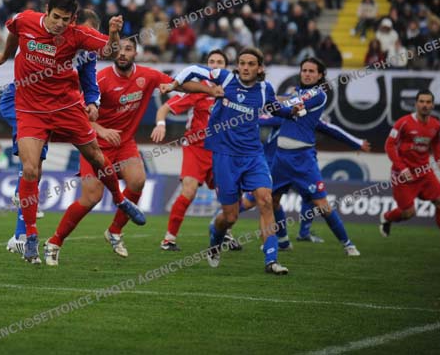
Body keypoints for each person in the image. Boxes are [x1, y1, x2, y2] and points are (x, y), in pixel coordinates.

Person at [0, 0, 145, 264]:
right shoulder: (25, 20)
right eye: (56, 17)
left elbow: (108, 51)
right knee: (30, 169)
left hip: (66, 107)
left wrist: (113, 34)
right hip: (30, 109)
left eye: (65, 19)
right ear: (46, 10)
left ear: (72, 20)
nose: (60, 24)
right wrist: (4, 55)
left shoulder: (77, 34)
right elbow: (13, 30)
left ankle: (120, 200)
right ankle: (29, 237)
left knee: (96, 157)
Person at [161, 47, 307, 275]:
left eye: (251, 64)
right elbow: (192, 69)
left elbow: (274, 108)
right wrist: (174, 84)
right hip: (224, 156)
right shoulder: (225, 78)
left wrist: (292, 112)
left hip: (253, 155)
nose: (245, 68)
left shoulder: (265, 89)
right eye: (242, 63)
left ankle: (271, 260)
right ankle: (215, 238)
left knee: (265, 200)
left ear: (260, 68)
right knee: (230, 217)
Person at [44, 35, 172, 264]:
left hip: (124, 144)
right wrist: (101, 130)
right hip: (94, 146)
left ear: (136, 53)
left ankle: (114, 231)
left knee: (138, 181)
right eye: (119, 49)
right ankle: (55, 242)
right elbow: (79, 116)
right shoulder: (100, 79)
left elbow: (176, 83)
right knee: (91, 197)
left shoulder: (148, 75)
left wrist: (208, 89)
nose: (122, 53)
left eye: (128, 49)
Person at [1, 9, 102, 255]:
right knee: (33, 162)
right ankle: (21, 223)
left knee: (35, 164)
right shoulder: (47, 36)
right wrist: (4, 55)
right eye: (86, 32)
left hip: (50, 108)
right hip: (21, 100)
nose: (88, 39)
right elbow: (16, 31)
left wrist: (92, 102)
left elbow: (89, 82)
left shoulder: (86, 53)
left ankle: (20, 233)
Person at [268, 58, 369, 256]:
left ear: (320, 75)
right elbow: (287, 106)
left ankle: (348, 244)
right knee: (272, 200)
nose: (307, 74)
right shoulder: (296, 92)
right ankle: (283, 241)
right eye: (304, 70)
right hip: (281, 158)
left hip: (302, 159)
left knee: (322, 205)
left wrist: (267, 98)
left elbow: (287, 104)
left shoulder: (318, 95)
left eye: (311, 71)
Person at [152, 49, 229, 251]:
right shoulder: (197, 89)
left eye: (219, 62)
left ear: (226, 67)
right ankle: (169, 239)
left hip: (221, 150)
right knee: (189, 190)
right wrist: (161, 124)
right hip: (196, 147)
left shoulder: (233, 91)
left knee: (229, 193)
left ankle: (224, 232)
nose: (215, 65)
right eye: (211, 61)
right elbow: (164, 108)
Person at [380, 90, 440, 250]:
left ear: (432, 105)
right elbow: (389, 146)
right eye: (422, 101)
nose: (425, 105)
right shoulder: (403, 123)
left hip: (424, 172)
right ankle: (387, 217)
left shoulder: (435, 125)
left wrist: (438, 159)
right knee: (408, 213)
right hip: (403, 175)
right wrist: (402, 168)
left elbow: (436, 142)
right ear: (416, 104)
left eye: (428, 102)